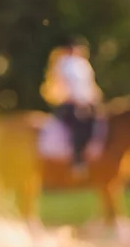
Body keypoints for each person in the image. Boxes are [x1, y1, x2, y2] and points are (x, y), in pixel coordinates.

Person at [40, 35, 103, 177]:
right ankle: (77, 160)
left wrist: (94, 98)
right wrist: (72, 99)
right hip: (70, 104)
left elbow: (90, 85)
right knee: (78, 123)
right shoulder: (63, 63)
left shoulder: (83, 64)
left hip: (86, 103)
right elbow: (60, 85)